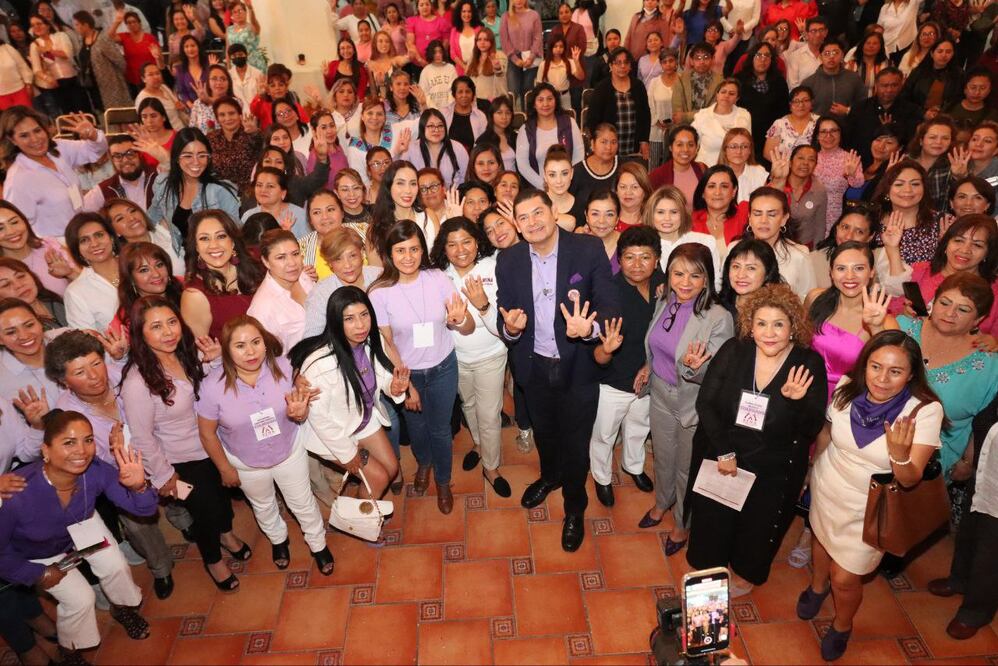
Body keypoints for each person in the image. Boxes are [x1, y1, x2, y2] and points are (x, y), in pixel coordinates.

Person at [802, 330, 945, 661]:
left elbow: (910, 480)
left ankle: (841, 624)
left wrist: (898, 454)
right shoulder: (846, 389)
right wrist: (810, 472)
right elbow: (827, 434)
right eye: (876, 367)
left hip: (871, 507)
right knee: (820, 540)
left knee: (846, 577)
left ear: (911, 374)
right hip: (829, 485)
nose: (882, 379)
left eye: (895, 371)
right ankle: (816, 587)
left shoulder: (923, 411)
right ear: (865, 365)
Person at [495, 188, 619, 551]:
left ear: (553, 212)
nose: (532, 222)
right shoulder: (510, 260)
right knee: (546, 433)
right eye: (524, 217)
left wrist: (592, 330)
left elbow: (609, 302)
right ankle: (550, 476)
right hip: (532, 366)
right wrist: (511, 329)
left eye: (538, 213)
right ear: (517, 225)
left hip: (578, 366)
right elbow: (506, 313)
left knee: (576, 442)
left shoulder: (587, 248)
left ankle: (575, 507)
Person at [686, 282, 824, 596]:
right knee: (714, 516)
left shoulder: (807, 363)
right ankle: (711, 564)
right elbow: (706, 403)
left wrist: (796, 401)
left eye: (778, 324)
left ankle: (746, 572)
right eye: (761, 323)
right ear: (751, 325)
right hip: (726, 453)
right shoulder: (734, 351)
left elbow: (810, 427)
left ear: (793, 326)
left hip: (774, 465)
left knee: (757, 525)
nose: (769, 332)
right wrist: (723, 452)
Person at [0, 409, 154, 662]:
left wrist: (139, 486)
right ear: (46, 451)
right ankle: (69, 650)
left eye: (88, 440)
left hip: (80, 523)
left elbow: (143, 508)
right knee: (81, 599)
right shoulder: (16, 493)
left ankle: (122, 608)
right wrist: (37, 574)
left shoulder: (96, 470)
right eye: (69, 442)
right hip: (36, 551)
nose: (82, 451)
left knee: (115, 565)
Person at [121, 295, 252, 591]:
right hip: (178, 463)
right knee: (204, 512)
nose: (168, 332)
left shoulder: (185, 353)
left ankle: (227, 534)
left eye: (172, 322)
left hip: (213, 446)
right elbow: (142, 436)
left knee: (221, 501)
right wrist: (165, 476)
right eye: (156, 326)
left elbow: (211, 392)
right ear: (141, 334)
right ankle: (214, 562)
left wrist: (217, 360)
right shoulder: (137, 382)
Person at [195, 315, 333, 574]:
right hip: (246, 463)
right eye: (240, 345)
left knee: (302, 502)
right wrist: (225, 468)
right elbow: (207, 434)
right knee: (263, 505)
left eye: (256, 342)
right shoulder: (212, 387)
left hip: (289, 450)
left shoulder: (285, 367)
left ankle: (318, 545)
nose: (250, 351)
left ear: (265, 342)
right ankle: (279, 541)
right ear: (226, 350)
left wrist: (299, 413)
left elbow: (300, 412)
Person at [46, 330, 175, 599]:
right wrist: (115, 454)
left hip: (164, 453)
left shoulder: (125, 375)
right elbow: (81, 461)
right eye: (79, 372)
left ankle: (181, 517)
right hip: (119, 474)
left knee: (180, 492)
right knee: (139, 524)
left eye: (96, 363)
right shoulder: (67, 415)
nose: (94, 376)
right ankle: (161, 567)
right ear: (63, 381)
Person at [369, 220, 473, 513]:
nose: (408, 256)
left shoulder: (438, 277)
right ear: (390, 253)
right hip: (407, 374)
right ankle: (424, 464)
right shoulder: (379, 292)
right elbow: (387, 344)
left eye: (414, 249)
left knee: (440, 429)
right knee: (416, 428)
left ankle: (442, 480)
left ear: (422, 250)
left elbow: (463, 323)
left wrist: (460, 319)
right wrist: (406, 383)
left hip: (443, 367)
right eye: (400, 250)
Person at [635, 241, 733, 551]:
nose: (685, 283)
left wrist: (694, 369)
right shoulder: (666, 299)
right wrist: (648, 366)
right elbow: (657, 342)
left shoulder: (719, 317)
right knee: (662, 457)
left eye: (694, 275)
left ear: (707, 278)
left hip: (691, 402)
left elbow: (720, 376)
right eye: (678, 274)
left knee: (686, 466)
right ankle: (662, 503)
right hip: (661, 394)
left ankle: (682, 523)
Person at [292, 285, 408, 501]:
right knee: (379, 478)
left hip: (361, 418)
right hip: (332, 432)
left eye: (364, 315)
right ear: (336, 322)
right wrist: (348, 453)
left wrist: (392, 387)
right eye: (349, 319)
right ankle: (364, 525)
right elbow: (319, 418)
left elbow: (381, 376)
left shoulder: (374, 341)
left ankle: (361, 503)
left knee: (391, 468)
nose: (360, 325)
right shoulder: (319, 364)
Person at [430, 217, 510, 496]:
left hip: (491, 355)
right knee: (469, 405)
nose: (460, 249)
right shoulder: (439, 275)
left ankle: (491, 466)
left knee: (489, 414)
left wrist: (482, 304)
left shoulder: (495, 267)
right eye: (452, 244)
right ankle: (478, 444)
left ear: (478, 243)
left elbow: (502, 326)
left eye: (466, 241)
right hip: (455, 359)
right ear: (444, 248)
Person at [588, 225, 663, 507]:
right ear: (619, 259)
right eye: (629, 257)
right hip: (614, 380)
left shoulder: (664, 284)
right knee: (605, 432)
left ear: (656, 259)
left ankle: (633, 466)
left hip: (649, 377)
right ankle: (602, 477)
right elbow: (596, 352)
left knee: (639, 427)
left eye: (645, 257)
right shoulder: (609, 292)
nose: (637, 265)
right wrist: (605, 350)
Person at [882, 213, 998, 334]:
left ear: (988, 253)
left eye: (977, 245)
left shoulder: (994, 291)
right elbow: (889, 313)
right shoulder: (920, 271)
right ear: (946, 243)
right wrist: (904, 314)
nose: (965, 250)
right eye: (958, 240)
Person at [0, 107, 106, 238]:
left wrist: (93, 135)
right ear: (12, 140)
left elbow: (94, 152)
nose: (35, 139)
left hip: (83, 234)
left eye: (37, 131)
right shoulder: (17, 180)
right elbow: (19, 226)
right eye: (24, 135)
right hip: (57, 248)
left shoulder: (58, 148)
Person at [180, 211, 263, 340]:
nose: (214, 245)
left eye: (221, 236)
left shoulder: (257, 264)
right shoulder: (195, 296)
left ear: (233, 241)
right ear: (196, 247)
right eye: (204, 238)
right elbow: (200, 351)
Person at [302, 227, 384, 338]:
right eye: (338, 259)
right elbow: (312, 339)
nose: (347, 265)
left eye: (352, 256)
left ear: (362, 253)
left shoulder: (380, 277)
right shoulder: (321, 293)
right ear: (330, 263)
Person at [246, 229, 314, 350]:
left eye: (295, 254)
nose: (292, 263)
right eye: (281, 257)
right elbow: (267, 357)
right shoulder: (262, 308)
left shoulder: (305, 277)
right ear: (266, 261)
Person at [845, 68, 921, 165]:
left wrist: (892, 130)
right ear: (876, 85)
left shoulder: (912, 111)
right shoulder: (860, 108)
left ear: (901, 85)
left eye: (894, 85)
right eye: (884, 85)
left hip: (896, 165)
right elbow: (849, 139)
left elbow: (912, 144)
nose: (889, 90)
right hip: (860, 164)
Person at [515, 82, 584, 189]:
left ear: (556, 101)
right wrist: (544, 185)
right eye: (540, 100)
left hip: (568, 187)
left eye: (550, 99)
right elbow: (523, 165)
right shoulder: (526, 129)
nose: (545, 104)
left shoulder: (569, 123)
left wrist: (566, 182)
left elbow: (578, 156)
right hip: (539, 190)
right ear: (534, 104)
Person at [872, 159, 939, 265]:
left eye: (915, 184)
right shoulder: (872, 221)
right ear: (887, 191)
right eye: (899, 184)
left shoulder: (942, 222)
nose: (907, 190)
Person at [644, 185, 721, 278]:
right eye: (660, 212)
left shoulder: (706, 242)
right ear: (651, 215)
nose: (667, 218)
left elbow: (716, 282)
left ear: (683, 214)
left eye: (674, 212)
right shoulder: (645, 247)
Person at [62, 213, 120, 331]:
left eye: (99, 235)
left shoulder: (135, 265)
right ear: (76, 250)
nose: (94, 244)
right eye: (84, 240)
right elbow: (87, 343)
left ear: (111, 237)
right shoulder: (76, 293)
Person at [735, 42, 789, 165]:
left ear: (772, 60)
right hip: (745, 135)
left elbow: (785, 112)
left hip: (771, 140)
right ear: (751, 57)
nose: (762, 59)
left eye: (767, 56)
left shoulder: (779, 81)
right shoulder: (739, 80)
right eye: (758, 55)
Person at [812, 116, 864, 237]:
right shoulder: (811, 157)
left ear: (841, 133)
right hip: (811, 213)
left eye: (833, 131)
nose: (828, 136)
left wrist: (850, 175)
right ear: (817, 136)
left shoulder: (849, 157)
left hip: (836, 215)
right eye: (823, 132)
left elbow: (858, 183)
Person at [104, 197, 184, 275]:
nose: (131, 218)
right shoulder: (123, 262)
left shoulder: (166, 230)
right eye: (120, 218)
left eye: (132, 211)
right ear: (115, 232)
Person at [767, 144, 828, 247]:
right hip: (776, 244)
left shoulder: (819, 190)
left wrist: (817, 253)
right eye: (800, 158)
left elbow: (820, 226)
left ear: (815, 165)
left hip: (805, 247)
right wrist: (777, 181)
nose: (805, 163)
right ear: (790, 162)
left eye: (811, 160)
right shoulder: (776, 185)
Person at [72, 10, 131, 111]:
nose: (75, 28)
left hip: (111, 85)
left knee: (117, 112)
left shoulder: (102, 39)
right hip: (93, 86)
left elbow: (120, 61)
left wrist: (115, 77)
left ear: (85, 25)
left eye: (77, 25)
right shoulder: (81, 41)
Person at [810, 204, 878, 290]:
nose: (849, 236)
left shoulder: (877, 260)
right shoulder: (814, 260)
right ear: (837, 228)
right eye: (845, 227)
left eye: (859, 232)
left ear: (870, 237)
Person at [716, 237, 781, 325]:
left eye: (751, 268)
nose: (741, 275)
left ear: (768, 273)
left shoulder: (779, 310)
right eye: (736, 266)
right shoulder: (717, 306)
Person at [690, 165, 748, 262]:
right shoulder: (691, 221)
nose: (717, 192)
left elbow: (770, 204)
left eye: (724, 186)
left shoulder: (744, 212)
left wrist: (777, 180)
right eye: (711, 186)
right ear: (703, 193)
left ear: (734, 191)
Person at [690, 78, 751, 167]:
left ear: (737, 98)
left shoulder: (745, 115)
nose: (726, 96)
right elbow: (691, 143)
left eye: (731, 93)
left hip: (736, 168)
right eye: (723, 92)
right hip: (707, 169)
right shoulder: (702, 116)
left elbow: (747, 146)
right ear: (717, 94)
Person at [900, 38, 964, 119]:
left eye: (948, 52)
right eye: (940, 51)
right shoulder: (919, 72)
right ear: (932, 53)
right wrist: (923, 113)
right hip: (916, 116)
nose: (944, 55)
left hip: (945, 119)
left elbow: (958, 101)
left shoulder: (958, 75)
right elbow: (904, 98)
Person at [405, 108, 469, 186]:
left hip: (451, 195)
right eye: (431, 126)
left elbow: (465, 177)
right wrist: (399, 151)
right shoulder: (411, 148)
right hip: (421, 195)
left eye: (440, 125)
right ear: (422, 127)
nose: (436, 130)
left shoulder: (458, 148)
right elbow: (401, 174)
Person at [0, 257, 68, 328]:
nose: (19, 285)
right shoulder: (12, 326)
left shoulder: (53, 300)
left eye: (21, 276)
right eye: (6, 284)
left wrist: (70, 274)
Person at [500, 0, 542, 109]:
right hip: (513, 58)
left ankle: (529, 119)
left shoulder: (534, 15)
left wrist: (531, 57)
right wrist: (515, 59)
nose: (518, 1)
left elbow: (538, 38)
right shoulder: (506, 16)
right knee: (512, 92)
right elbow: (504, 40)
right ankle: (511, 120)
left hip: (531, 58)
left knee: (528, 91)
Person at [650, 125, 707, 203]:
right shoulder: (657, 176)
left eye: (690, 145)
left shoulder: (702, 169)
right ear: (670, 147)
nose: (685, 149)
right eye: (679, 145)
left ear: (697, 148)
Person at [763, 85, 818, 164]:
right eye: (796, 101)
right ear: (790, 105)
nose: (801, 105)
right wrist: (789, 166)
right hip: (784, 170)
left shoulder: (820, 122)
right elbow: (768, 153)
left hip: (814, 171)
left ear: (812, 103)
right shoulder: (779, 124)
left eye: (805, 100)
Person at [672, 42, 722, 126]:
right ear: (691, 61)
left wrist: (686, 116)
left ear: (713, 59)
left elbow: (715, 112)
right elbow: (677, 115)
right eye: (697, 58)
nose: (702, 62)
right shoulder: (681, 80)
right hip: (684, 128)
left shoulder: (720, 82)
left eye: (706, 57)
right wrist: (683, 118)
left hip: (711, 128)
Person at [571, 123, 619, 206]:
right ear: (592, 144)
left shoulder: (624, 167)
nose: (609, 147)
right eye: (603, 142)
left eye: (613, 142)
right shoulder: (577, 171)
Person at [717, 128, 768, 204]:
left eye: (744, 146)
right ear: (725, 150)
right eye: (734, 146)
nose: (739, 151)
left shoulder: (759, 172)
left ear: (750, 150)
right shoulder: (715, 175)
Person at [134, 62, 187, 131]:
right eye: (151, 75)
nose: (156, 77)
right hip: (166, 134)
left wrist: (181, 107)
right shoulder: (143, 98)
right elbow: (146, 124)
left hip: (181, 128)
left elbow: (178, 106)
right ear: (143, 79)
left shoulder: (164, 87)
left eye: (157, 73)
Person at [226, 1, 265, 72]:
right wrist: (228, 68)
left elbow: (254, 21)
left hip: (254, 63)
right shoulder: (229, 30)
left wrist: (250, 8)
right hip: (236, 64)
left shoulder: (252, 27)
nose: (238, 14)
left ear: (245, 12)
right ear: (232, 16)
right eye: (234, 12)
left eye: (240, 11)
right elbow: (228, 49)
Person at [615, 162, 653, 230]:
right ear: (616, 191)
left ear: (645, 191)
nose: (628, 192)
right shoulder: (607, 221)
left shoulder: (653, 222)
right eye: (623, 187)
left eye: (635, 187)